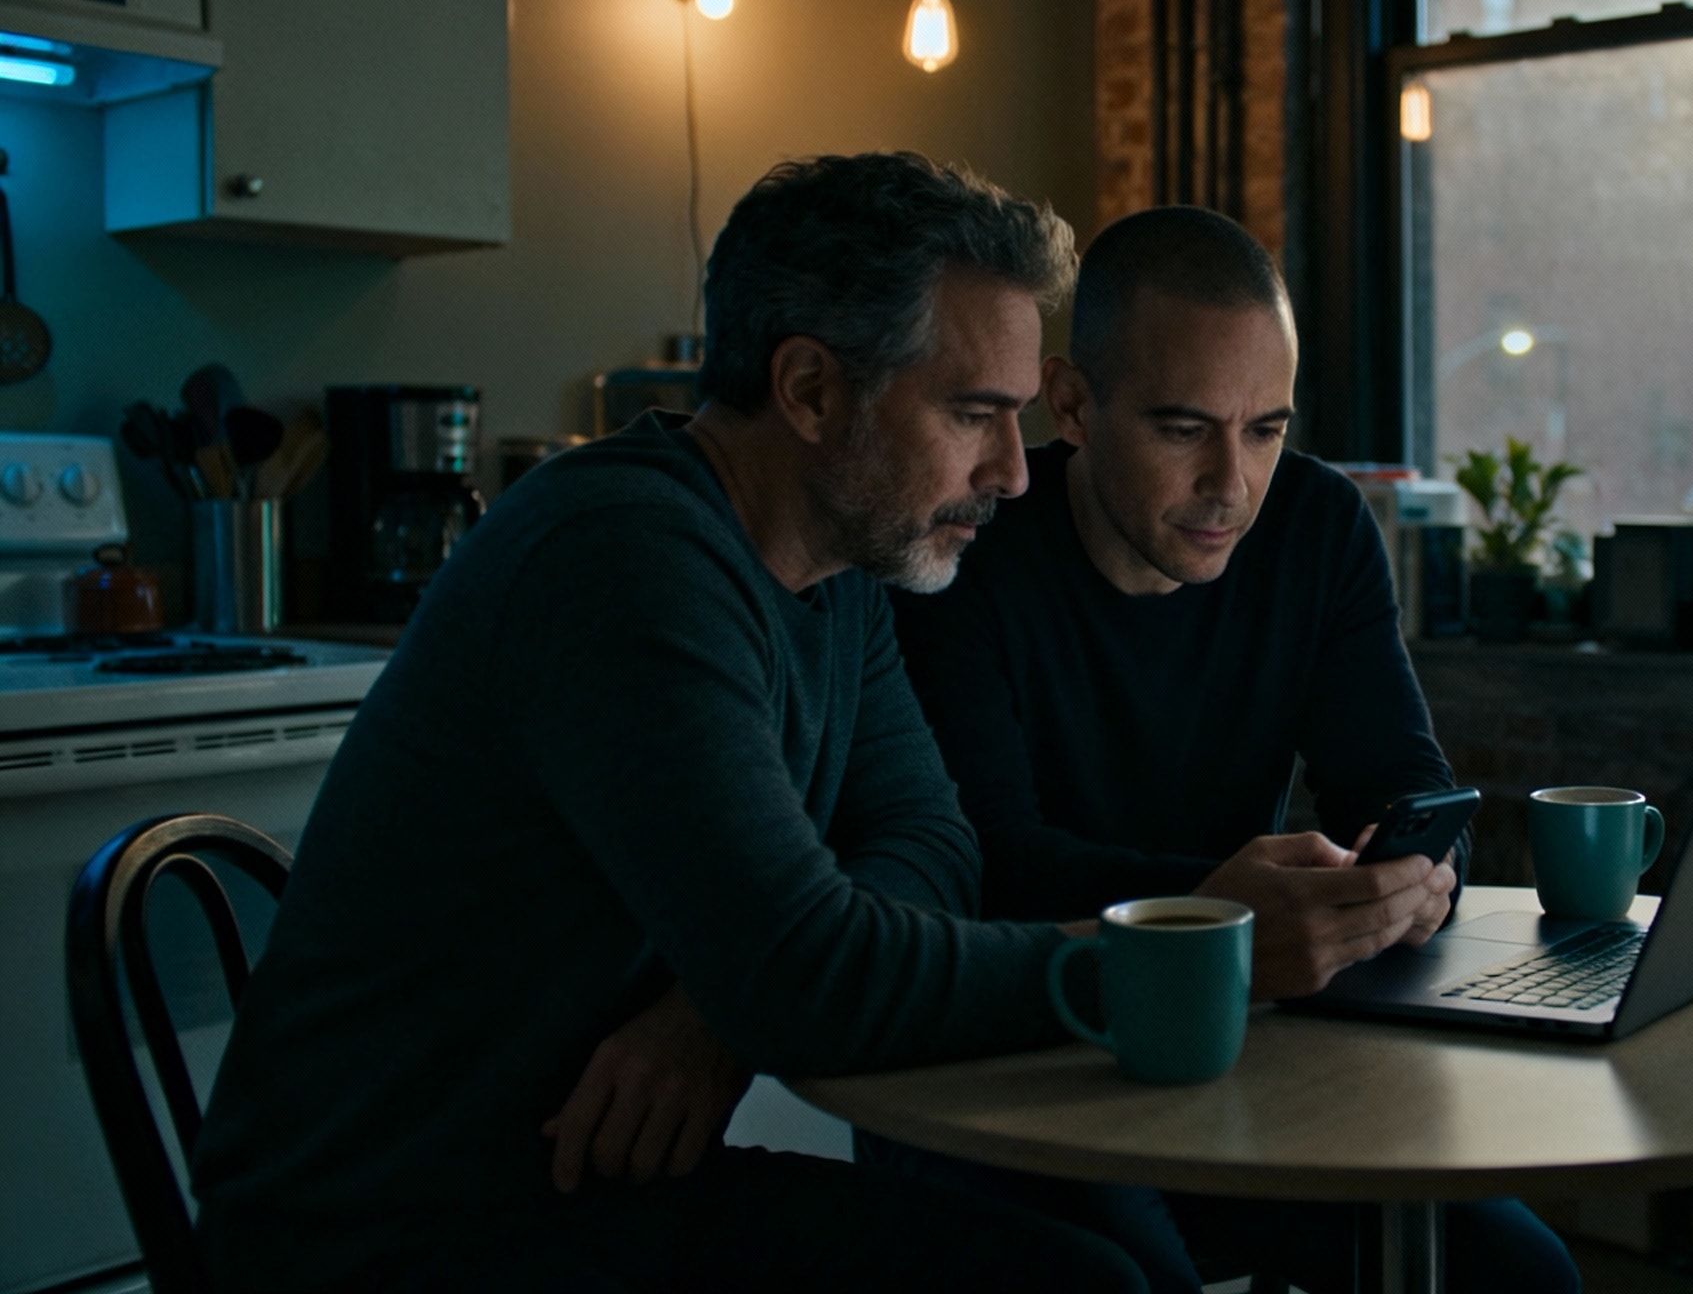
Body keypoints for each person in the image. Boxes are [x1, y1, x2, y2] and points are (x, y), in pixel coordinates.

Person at [187, 153, 1151, 1294]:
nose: (1012, 472)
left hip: (574, 1188)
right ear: (807, 390)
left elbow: (929, 844)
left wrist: (716, 1008)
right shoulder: (622, 559)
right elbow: (808, 976)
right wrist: (1166, 967)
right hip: (387, 1230)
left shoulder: (841, 570)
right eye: (972, 414)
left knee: (1104, 1256)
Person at [879, 205, 1582, 1294]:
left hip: (1248, 1046)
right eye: (1180, 428)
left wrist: (1405, 873)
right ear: (1069, 403)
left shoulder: (1316, 525)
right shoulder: (963, 550)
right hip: (1015, 1049)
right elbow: (986, 864)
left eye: (1265, 429)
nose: (1232, 485)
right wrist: (1238, 917)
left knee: (1518, 1278)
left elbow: (1398, 785)